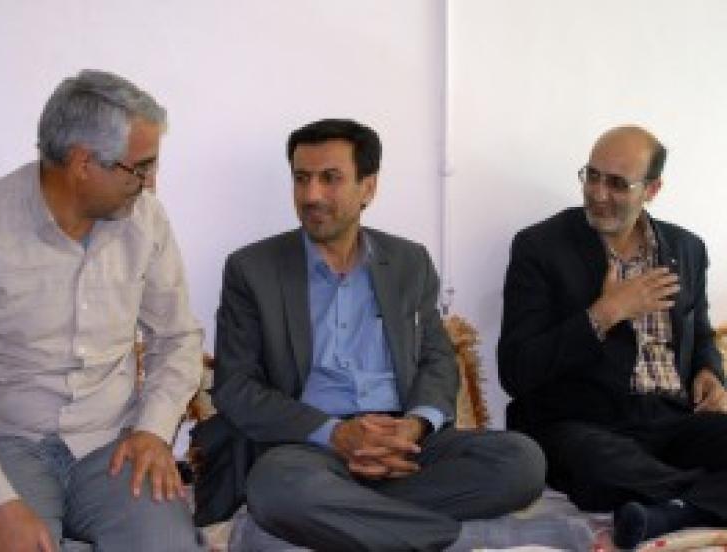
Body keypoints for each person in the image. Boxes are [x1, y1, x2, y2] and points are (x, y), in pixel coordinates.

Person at [196, 118, 545, 551]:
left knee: (521, 461)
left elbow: (437, 359)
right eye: (301, 179)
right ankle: (456, 540)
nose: (311, 195)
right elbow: (236, 387)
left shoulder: (409, 262)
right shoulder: (253, 269)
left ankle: (351, 516)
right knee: (276, 487)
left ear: (368, 187)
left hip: (404, 443)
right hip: (310, 447)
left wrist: (414, 426)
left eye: (330, 178)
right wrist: (336, 434)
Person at [0, 70, 205, 551]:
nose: (151, 184)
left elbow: (177, 338)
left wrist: (153, 431)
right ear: (82, 163)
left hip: (112, 444)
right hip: (4, 445)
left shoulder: (146, 221)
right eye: (141, 168)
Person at [498, 125, 727, 549]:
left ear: (652, 189)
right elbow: (516, 371)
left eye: (618, 184)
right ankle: (701, 499)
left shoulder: (687, 248)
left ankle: (675, 508)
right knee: (597, 466)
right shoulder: (540, 247)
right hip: (583, 425)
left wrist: (710, 372)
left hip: (673, 422)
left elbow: (700, 334)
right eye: (592, 176)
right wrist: (604, 314)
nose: (598, 193)